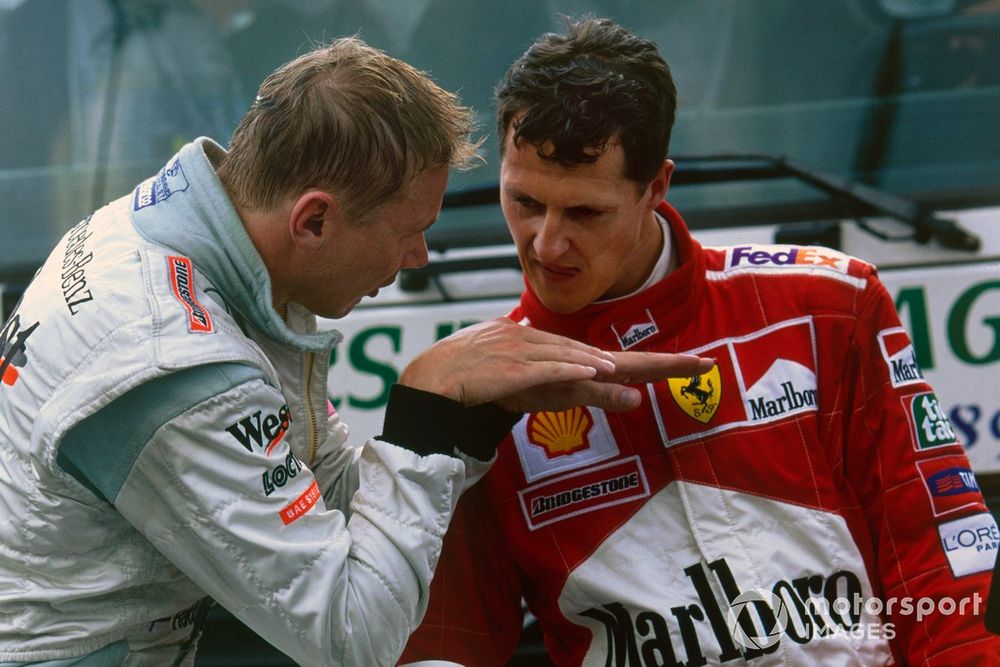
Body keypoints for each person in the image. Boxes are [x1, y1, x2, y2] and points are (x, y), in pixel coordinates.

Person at [0, 37, 713, 666]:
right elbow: (351, 638)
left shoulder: (183, 237)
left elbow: (331, 503)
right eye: (409, 230)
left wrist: (469, 413)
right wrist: (425, 418)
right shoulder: (175, 363)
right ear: (314, 219)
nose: (418, 255)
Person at [401, 17, 1000, 666]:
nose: (546, 243)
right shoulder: (476, 394)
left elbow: (939, 553)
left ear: (657, 187)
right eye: (523, 202)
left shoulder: (830, 305)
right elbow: (446, 647)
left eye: (584, 213)